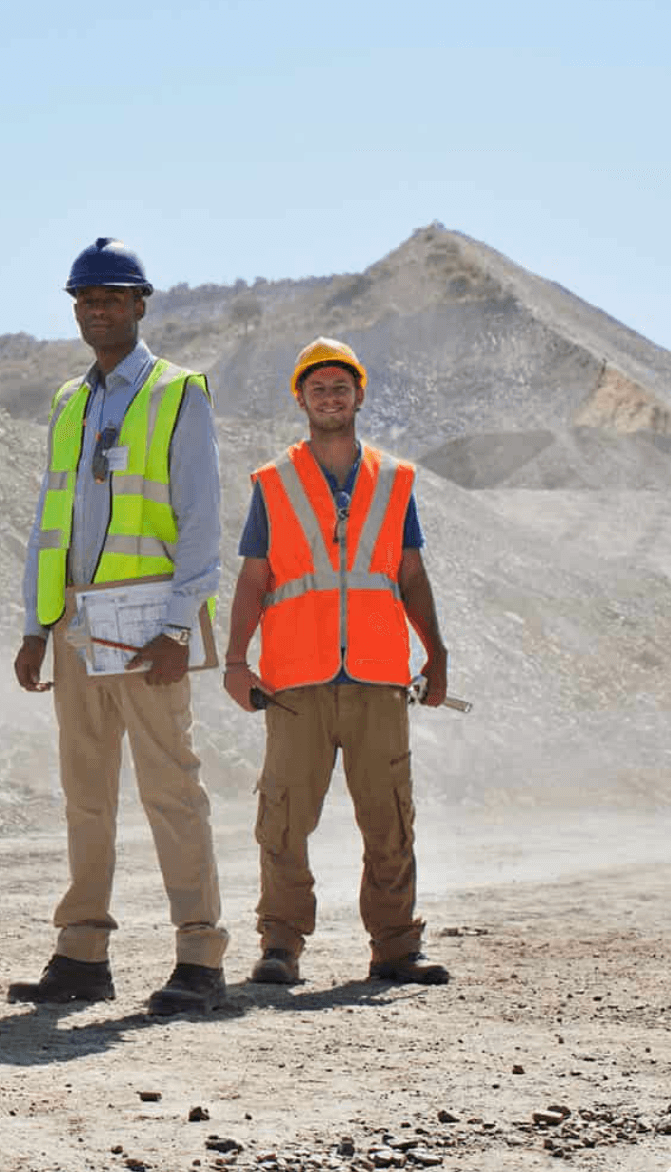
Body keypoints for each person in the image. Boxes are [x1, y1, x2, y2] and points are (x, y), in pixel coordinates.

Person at [10, 238, 231, 1015]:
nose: (97, 309)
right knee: (86, 793)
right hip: (75, 623)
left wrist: (178, 628)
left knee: (171, 788)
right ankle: (81, 951)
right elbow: (51, 521)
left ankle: (200, 955)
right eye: (85, 299)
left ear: (141, 305)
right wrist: (37, 625)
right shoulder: (70, 404)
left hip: (146, 625)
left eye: (112, 297)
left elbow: (202, 520)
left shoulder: (178, 394)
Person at [222, 337, 451, 988]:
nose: (329, 396)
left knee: (389, 819)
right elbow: (253, 579)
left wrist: (436, 653)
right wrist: (238, 660)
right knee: (285, 817)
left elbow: (410, 573)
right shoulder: (275, 482)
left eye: (340, 386)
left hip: (379, 677)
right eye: (317, 386)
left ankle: (396, 948)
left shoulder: (394, 480)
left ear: (359, 395)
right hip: (296, 680)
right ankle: (281, 946)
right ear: (301, 398)